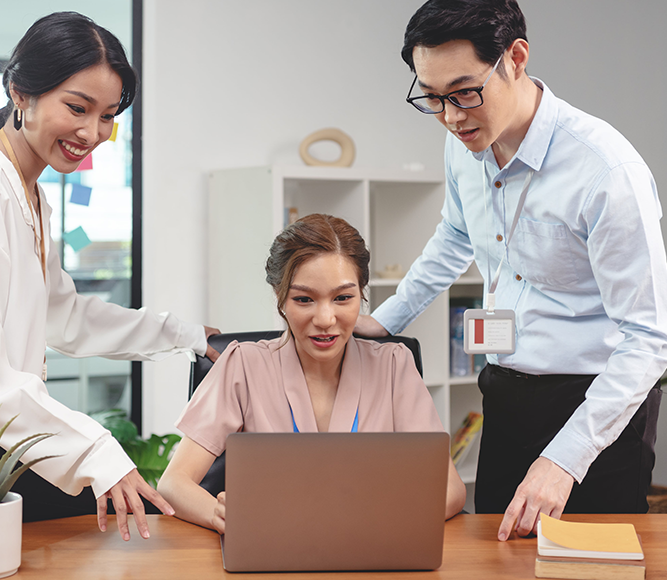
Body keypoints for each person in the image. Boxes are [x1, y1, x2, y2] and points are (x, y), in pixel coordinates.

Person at [0, 11, 219, 542]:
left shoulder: (27, 193)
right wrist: (98, 451)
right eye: (77, 108)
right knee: (148, 507)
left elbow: (66, 317)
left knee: (157, 499)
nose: (91, 133)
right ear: (20, 93)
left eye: (107, 116)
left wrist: (188, 337)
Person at [354, 0, 667, 541]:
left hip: (594, 408)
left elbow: (650, 337)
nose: (450, 117)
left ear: (516, 59)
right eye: (431, 97)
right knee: (496, 559)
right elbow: (455, 235)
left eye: (463, 93)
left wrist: (565, 459)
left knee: (589, 569)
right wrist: (385, 321)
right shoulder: (466, 142)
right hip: (504, 388)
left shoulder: (605, 170)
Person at [158, 213, 466, 533]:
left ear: (361, 294)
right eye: (304, 299)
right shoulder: (243, 365)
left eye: (343, 298)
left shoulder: (394, 366)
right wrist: (221, 515)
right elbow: (174, 483)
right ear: (280, 298)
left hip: (373, 546)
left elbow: (451, 489)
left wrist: (384, 518)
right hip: (271, 546)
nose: (325, 318)